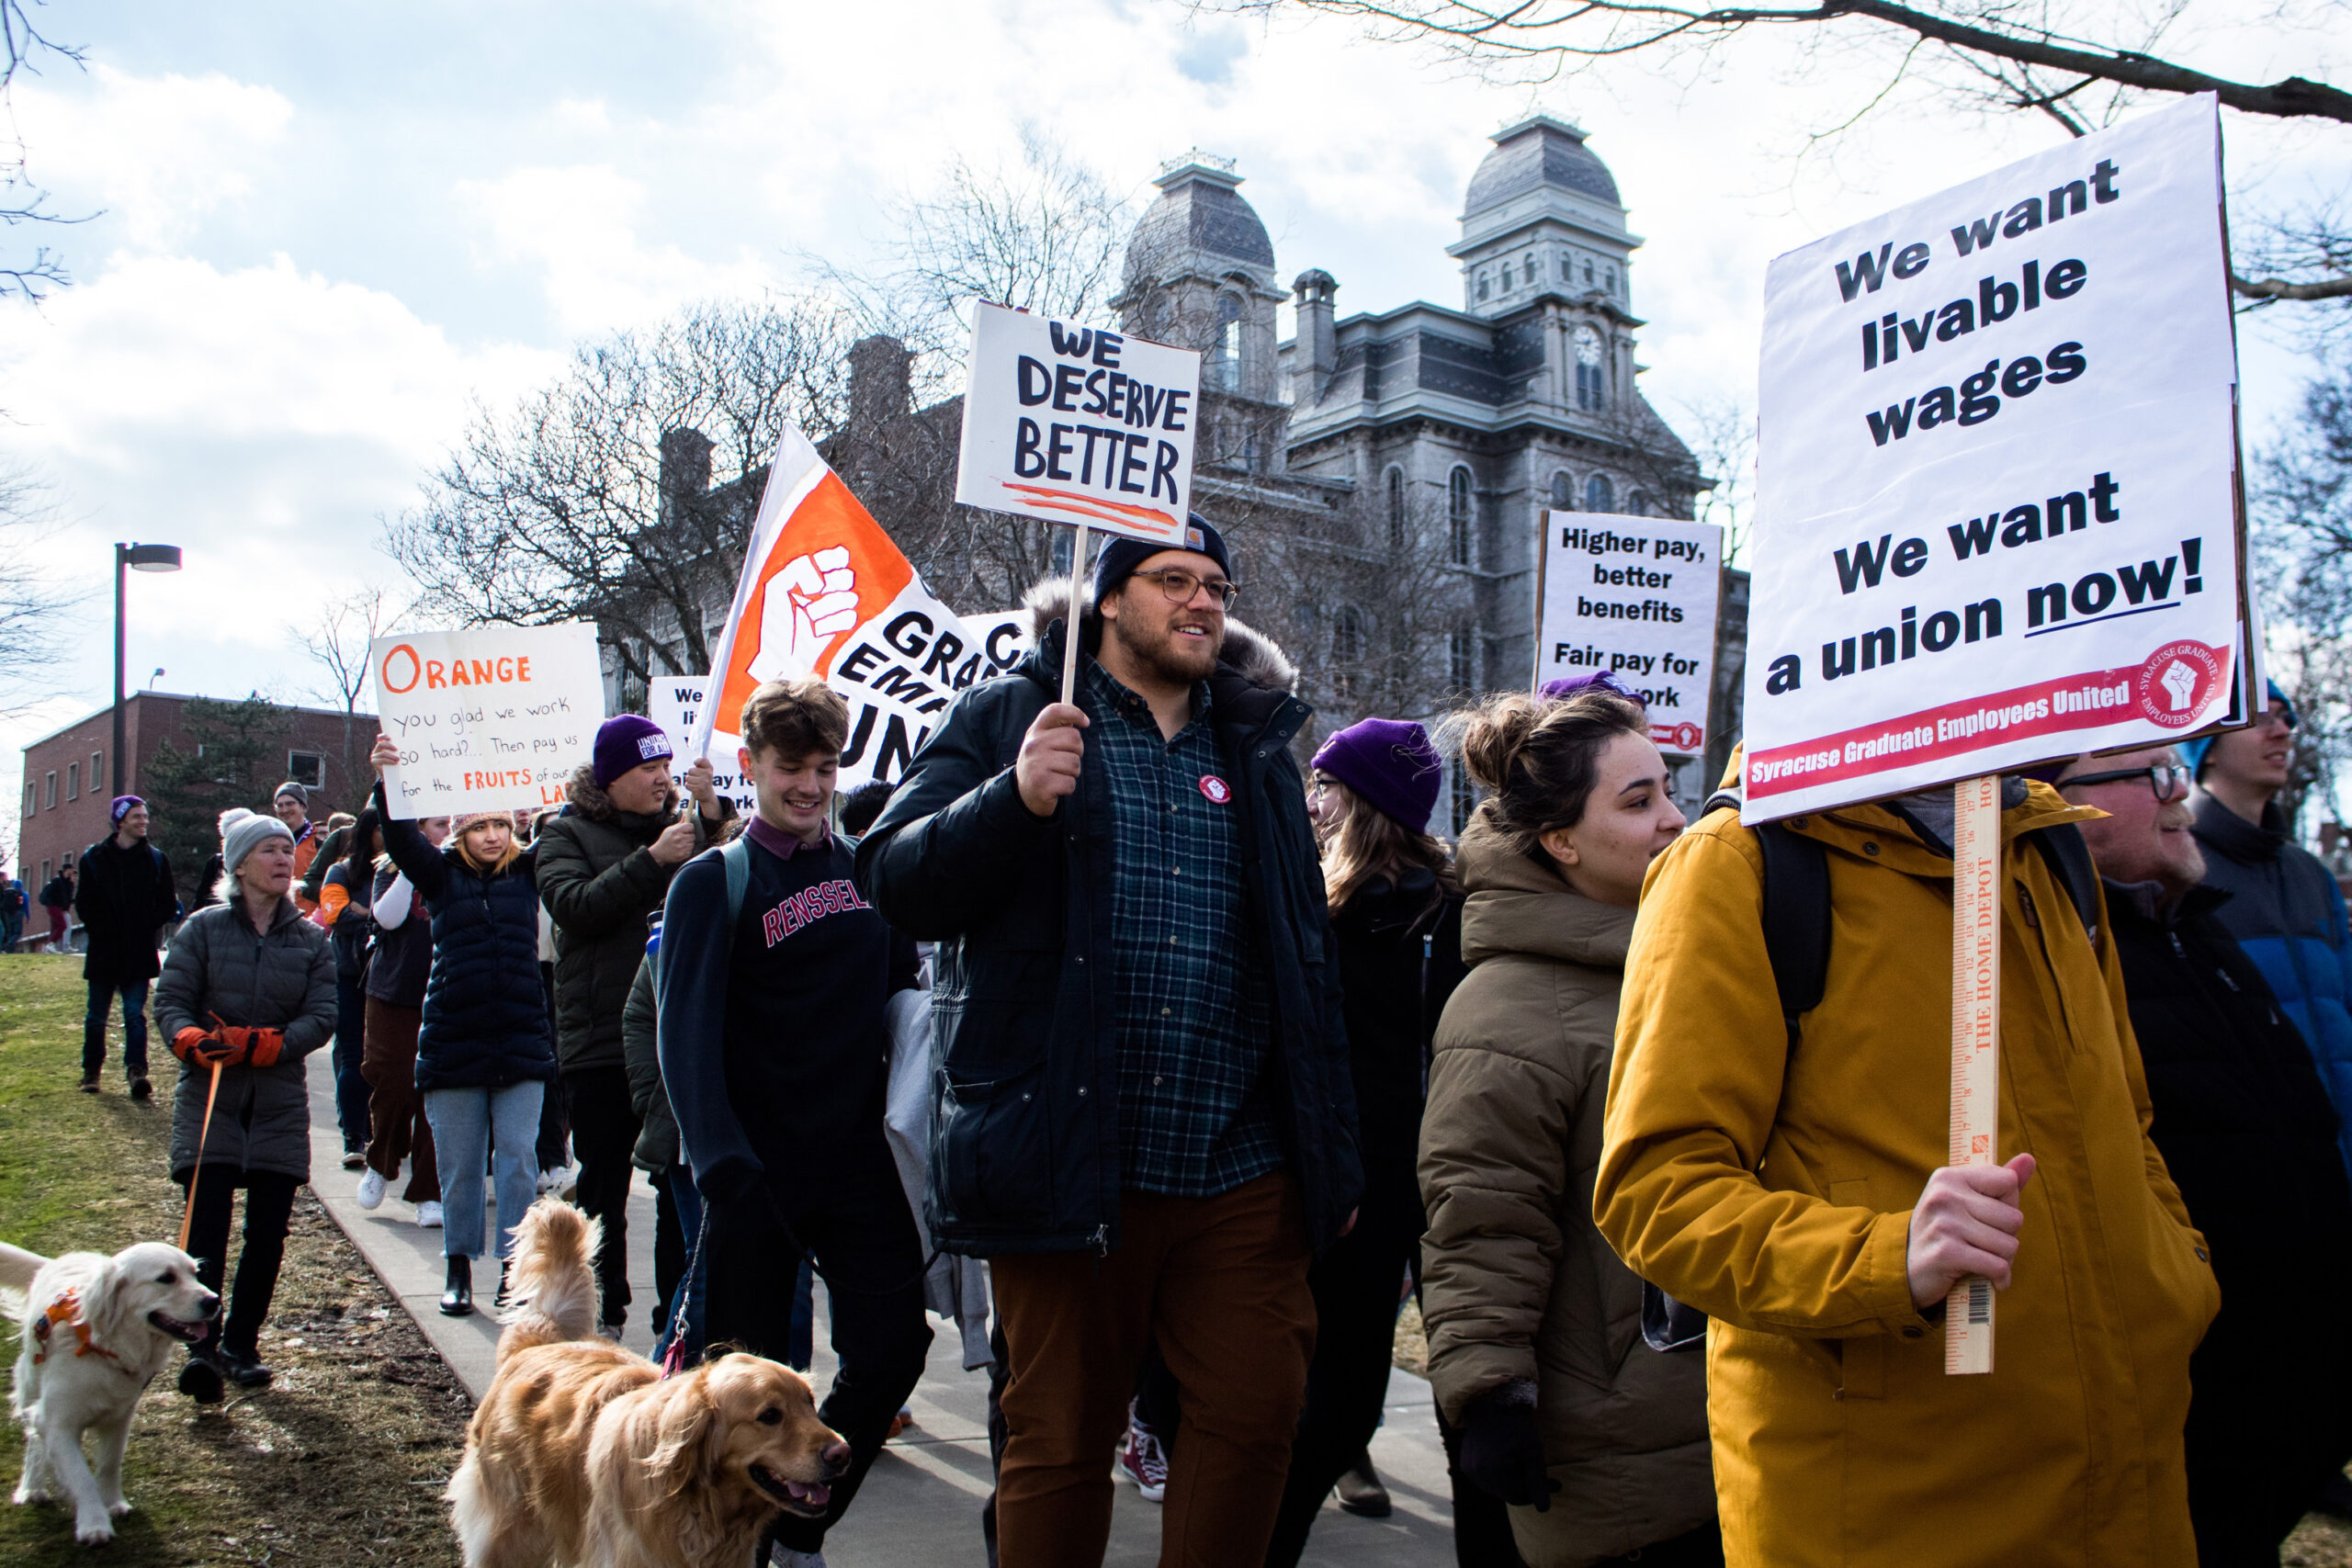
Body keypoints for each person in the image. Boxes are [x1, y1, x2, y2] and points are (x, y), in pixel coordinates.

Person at [856, 516, 1362, 1567]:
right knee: (1059, 1438)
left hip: (1240, 1161)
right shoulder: (1013, 716)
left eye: (1216, 583)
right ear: (1110, 599)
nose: (1203, 602)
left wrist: (1331, 1143)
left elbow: (1304, 959)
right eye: (1173, 580)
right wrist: (1012, 800)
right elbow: (893, 880)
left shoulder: (1256, 743)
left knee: (1258, 1414)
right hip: (1071, 1150)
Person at [1592, 752, 2219, 1568]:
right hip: (1891, 1504)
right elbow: (1655, 1193)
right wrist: (1887, 1260)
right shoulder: (1739, 860)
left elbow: (2126, 1116)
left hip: (2125, 1481)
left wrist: (2177, 1272)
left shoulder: (2049, 846)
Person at [1412, 691, 1719, 1568]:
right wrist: (1493, 1392)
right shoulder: (1508, 1008)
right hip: (1617, 1457)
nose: (1673, 820)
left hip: (1719, 1419)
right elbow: (1481, 1213)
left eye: (1668, 790)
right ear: (1560, 841)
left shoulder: (1680, 960)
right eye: (1637, 802)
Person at [659, 676, 930, 1567]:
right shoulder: (714, 881)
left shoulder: (865, 868)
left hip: (856, 1165)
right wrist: (718, 1160)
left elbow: (902, 997)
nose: (809, 786)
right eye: (790, 768)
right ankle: (723, 1547)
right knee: (735, 1400)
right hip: (755, 1178)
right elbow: (682, 1030)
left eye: (823, 767)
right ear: (751, 766)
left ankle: (797, 1522)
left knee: (892, 1351)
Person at [2058, 744, 2352, 1565]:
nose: (2178, 790)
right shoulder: (2063, 960)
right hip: (2196, 1397)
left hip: (2291, 1377)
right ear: (2061, 805)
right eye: (2149, 772)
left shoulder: (2196, 925)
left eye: (2173, 766)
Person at [1261, 716, 1470, 1566]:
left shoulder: (1452, 913)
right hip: (1350, 1190)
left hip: (1447, 1182)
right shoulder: (1315, 906)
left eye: (1326, 787)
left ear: (1367, 803)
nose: (1312, 805)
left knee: (1466, 1394)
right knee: (1340, 1403)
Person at [537, 714, 729, 1336]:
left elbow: (726, 878)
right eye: (648, 769)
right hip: (597, 1041)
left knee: (677, 1178)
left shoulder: (680, 827)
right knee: (603, 1187)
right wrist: (651, 861)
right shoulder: (564, 833)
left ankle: (675, 1315)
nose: (661, 780)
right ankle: (601, 1314)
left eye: (667, 768)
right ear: (612, 775)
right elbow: (575, 906)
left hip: (666, 1034)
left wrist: (709, 811)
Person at [370, 734, 558, 1315]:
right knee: (458, 1165)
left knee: (520, 1163)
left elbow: (571, 830)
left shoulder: (530, 871)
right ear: (460, 832)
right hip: (453, 1043)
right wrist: (389, 780)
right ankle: (458, 1266)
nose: (492, 836)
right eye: (480, 827)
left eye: (501, 825)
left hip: (522, 1042)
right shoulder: (439, 874)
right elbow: (401, 835)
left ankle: (514, 1269)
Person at [153, 810, 336, 1401]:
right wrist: (189, 1040)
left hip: (279, 1104)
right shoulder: (203, 930)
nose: (285, 860)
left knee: (268, 1232)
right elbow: (173, 1000)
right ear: (237, 864)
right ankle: (201, 1348)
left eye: (288, 850)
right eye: (270, 851)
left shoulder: (311, 939)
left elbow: (323, 1014)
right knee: (205, 1227)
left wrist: (277, 1043)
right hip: (212, 1098)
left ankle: (242, 1343)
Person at [2185, 681, 2352, 1176]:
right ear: (2207, 747)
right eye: (2263, 718)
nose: (2284, 733)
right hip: (2257, 1177)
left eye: (2287, 719)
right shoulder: (2174, 873)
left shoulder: (2312, 875)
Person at [356, 813, 448, 1229]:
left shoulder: (459, 870)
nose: (443, 832)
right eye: (435, 824)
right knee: (392, 1083)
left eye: (448, 824)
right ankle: (381, 1160)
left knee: (437, 1096)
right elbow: (388, 918)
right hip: (393, 992)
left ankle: (428, 1191)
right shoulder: (389, 870)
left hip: (443, 994)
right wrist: (413, 865)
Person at [74, 795, 179, 1099]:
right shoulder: (93, 858)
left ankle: (136, 1073)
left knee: (135, 1015)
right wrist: (103, 928)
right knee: (96, 1016)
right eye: (137, 816)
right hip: (104, 951)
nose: (144, 821)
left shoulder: (156, 859)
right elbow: (84, 903)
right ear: (120, 820)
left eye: (146, 815)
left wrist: (144, 926)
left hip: (139, 950)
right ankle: (91, 1072)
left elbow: (167, 904)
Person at [313, 808, 383, 1169]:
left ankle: (382, 1132)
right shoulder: (339, 871)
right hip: (349, 975)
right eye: (383, 828)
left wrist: (366, 911)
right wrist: (373, 915)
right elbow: (336, 915)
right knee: (352, 1055)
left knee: (386, 1059)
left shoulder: (401, 871)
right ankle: (354, 1135)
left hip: (392, 978)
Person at [273, 782, 323, 913]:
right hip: (277, 918)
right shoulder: (270, 843)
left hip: (310, 920)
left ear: (303, 806)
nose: (284, 810)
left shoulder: (320, 843)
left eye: (290, 804)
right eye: (280, 805)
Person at [38, 861, 74, 952]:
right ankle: (51, 944)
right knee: (62, 925)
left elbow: (66, 896)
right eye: (71, 870)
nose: (72, 872)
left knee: (57, 926)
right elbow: (55, 894)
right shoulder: (57, 881)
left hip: (58, 907)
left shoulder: (66, 882)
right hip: (54, 906)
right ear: (67, 870)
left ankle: (49, 946)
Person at [1, 865, 26, 953]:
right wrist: (27, 916)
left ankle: (7, 948)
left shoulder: (6, 891)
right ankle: (8, 948)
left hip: (7, 913)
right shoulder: (21, 893)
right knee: (16, 933)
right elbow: (22, 903)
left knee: (8, 931)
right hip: (17, 914)